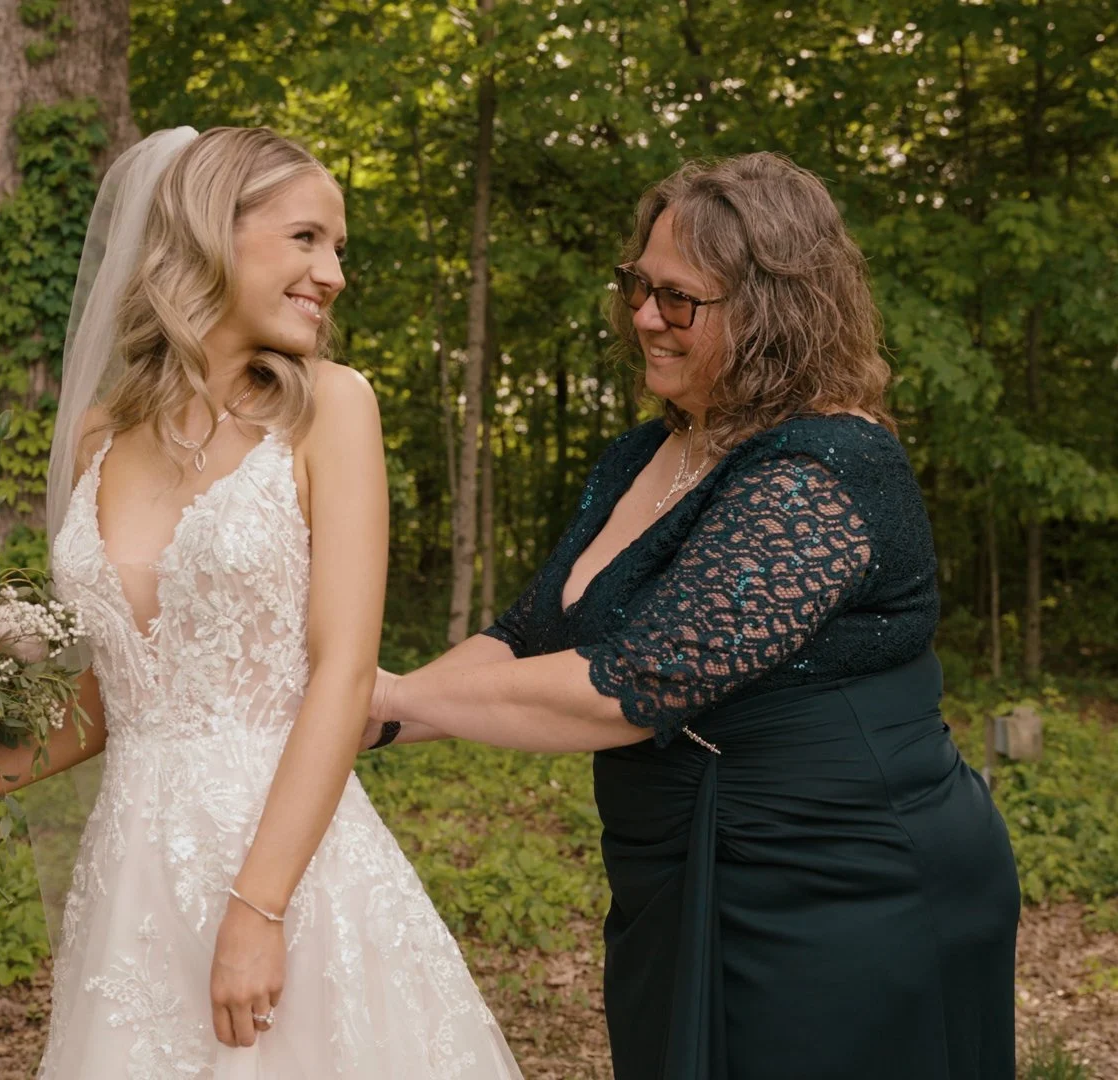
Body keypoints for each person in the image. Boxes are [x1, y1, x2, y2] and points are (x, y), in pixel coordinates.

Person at [0, 127, 521, 1079]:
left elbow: (341, 673)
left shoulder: (333, 407)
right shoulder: (101, 431)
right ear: (212, 232)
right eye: (306, 239)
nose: (332, 272)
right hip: (132, 876)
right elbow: (122, 688)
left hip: (287, 860)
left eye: (339, 249)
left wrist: (259, 909)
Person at [363, 153, 1021, 1080]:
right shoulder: (651, 452)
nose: (641, 317)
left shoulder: (824, 471)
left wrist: (380, 693)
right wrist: (375, 716)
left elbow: (631, 684)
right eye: (637, 286)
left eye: (678, 300)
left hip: (844, 889)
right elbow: (528, 634)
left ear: (773, 311)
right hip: (683, 873)